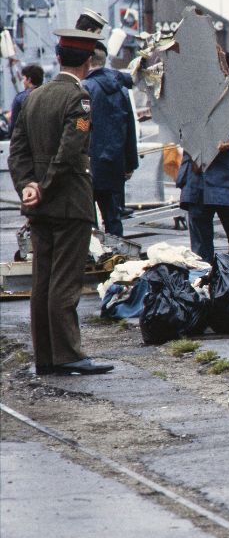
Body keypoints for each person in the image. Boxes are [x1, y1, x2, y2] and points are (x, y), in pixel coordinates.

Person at [7, 29, 114, 376]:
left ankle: (46, 357)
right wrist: (45, 187)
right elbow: (69, 152)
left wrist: (28, 186)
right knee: (65, 282)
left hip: (39, 207)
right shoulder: (79, 98)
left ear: (58, 57)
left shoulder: (33, 97)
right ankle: (68, 355)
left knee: (42, 282)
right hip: (69, 203)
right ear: (88, 61)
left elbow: (17, 151)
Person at [176, 52, 229, 264]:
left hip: (226, 179)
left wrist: (222, 141)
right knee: (200, 249)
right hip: (197, 181)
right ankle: (204, 278)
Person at [83, 41, 139, 237]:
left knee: (87, 220)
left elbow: (81, 125)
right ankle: (118, 253)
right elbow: (129, 127)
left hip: (88, 163)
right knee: (113, 219)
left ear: (87, 60)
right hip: (114, 163)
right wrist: (130, 163)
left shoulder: (84, 88)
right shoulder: (121, 89)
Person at [8, 64, 44, 129]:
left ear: (29, 79)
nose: (23, 81)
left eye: (23, 78)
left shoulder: (20, 98)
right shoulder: (50, 95)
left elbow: (13, 126)